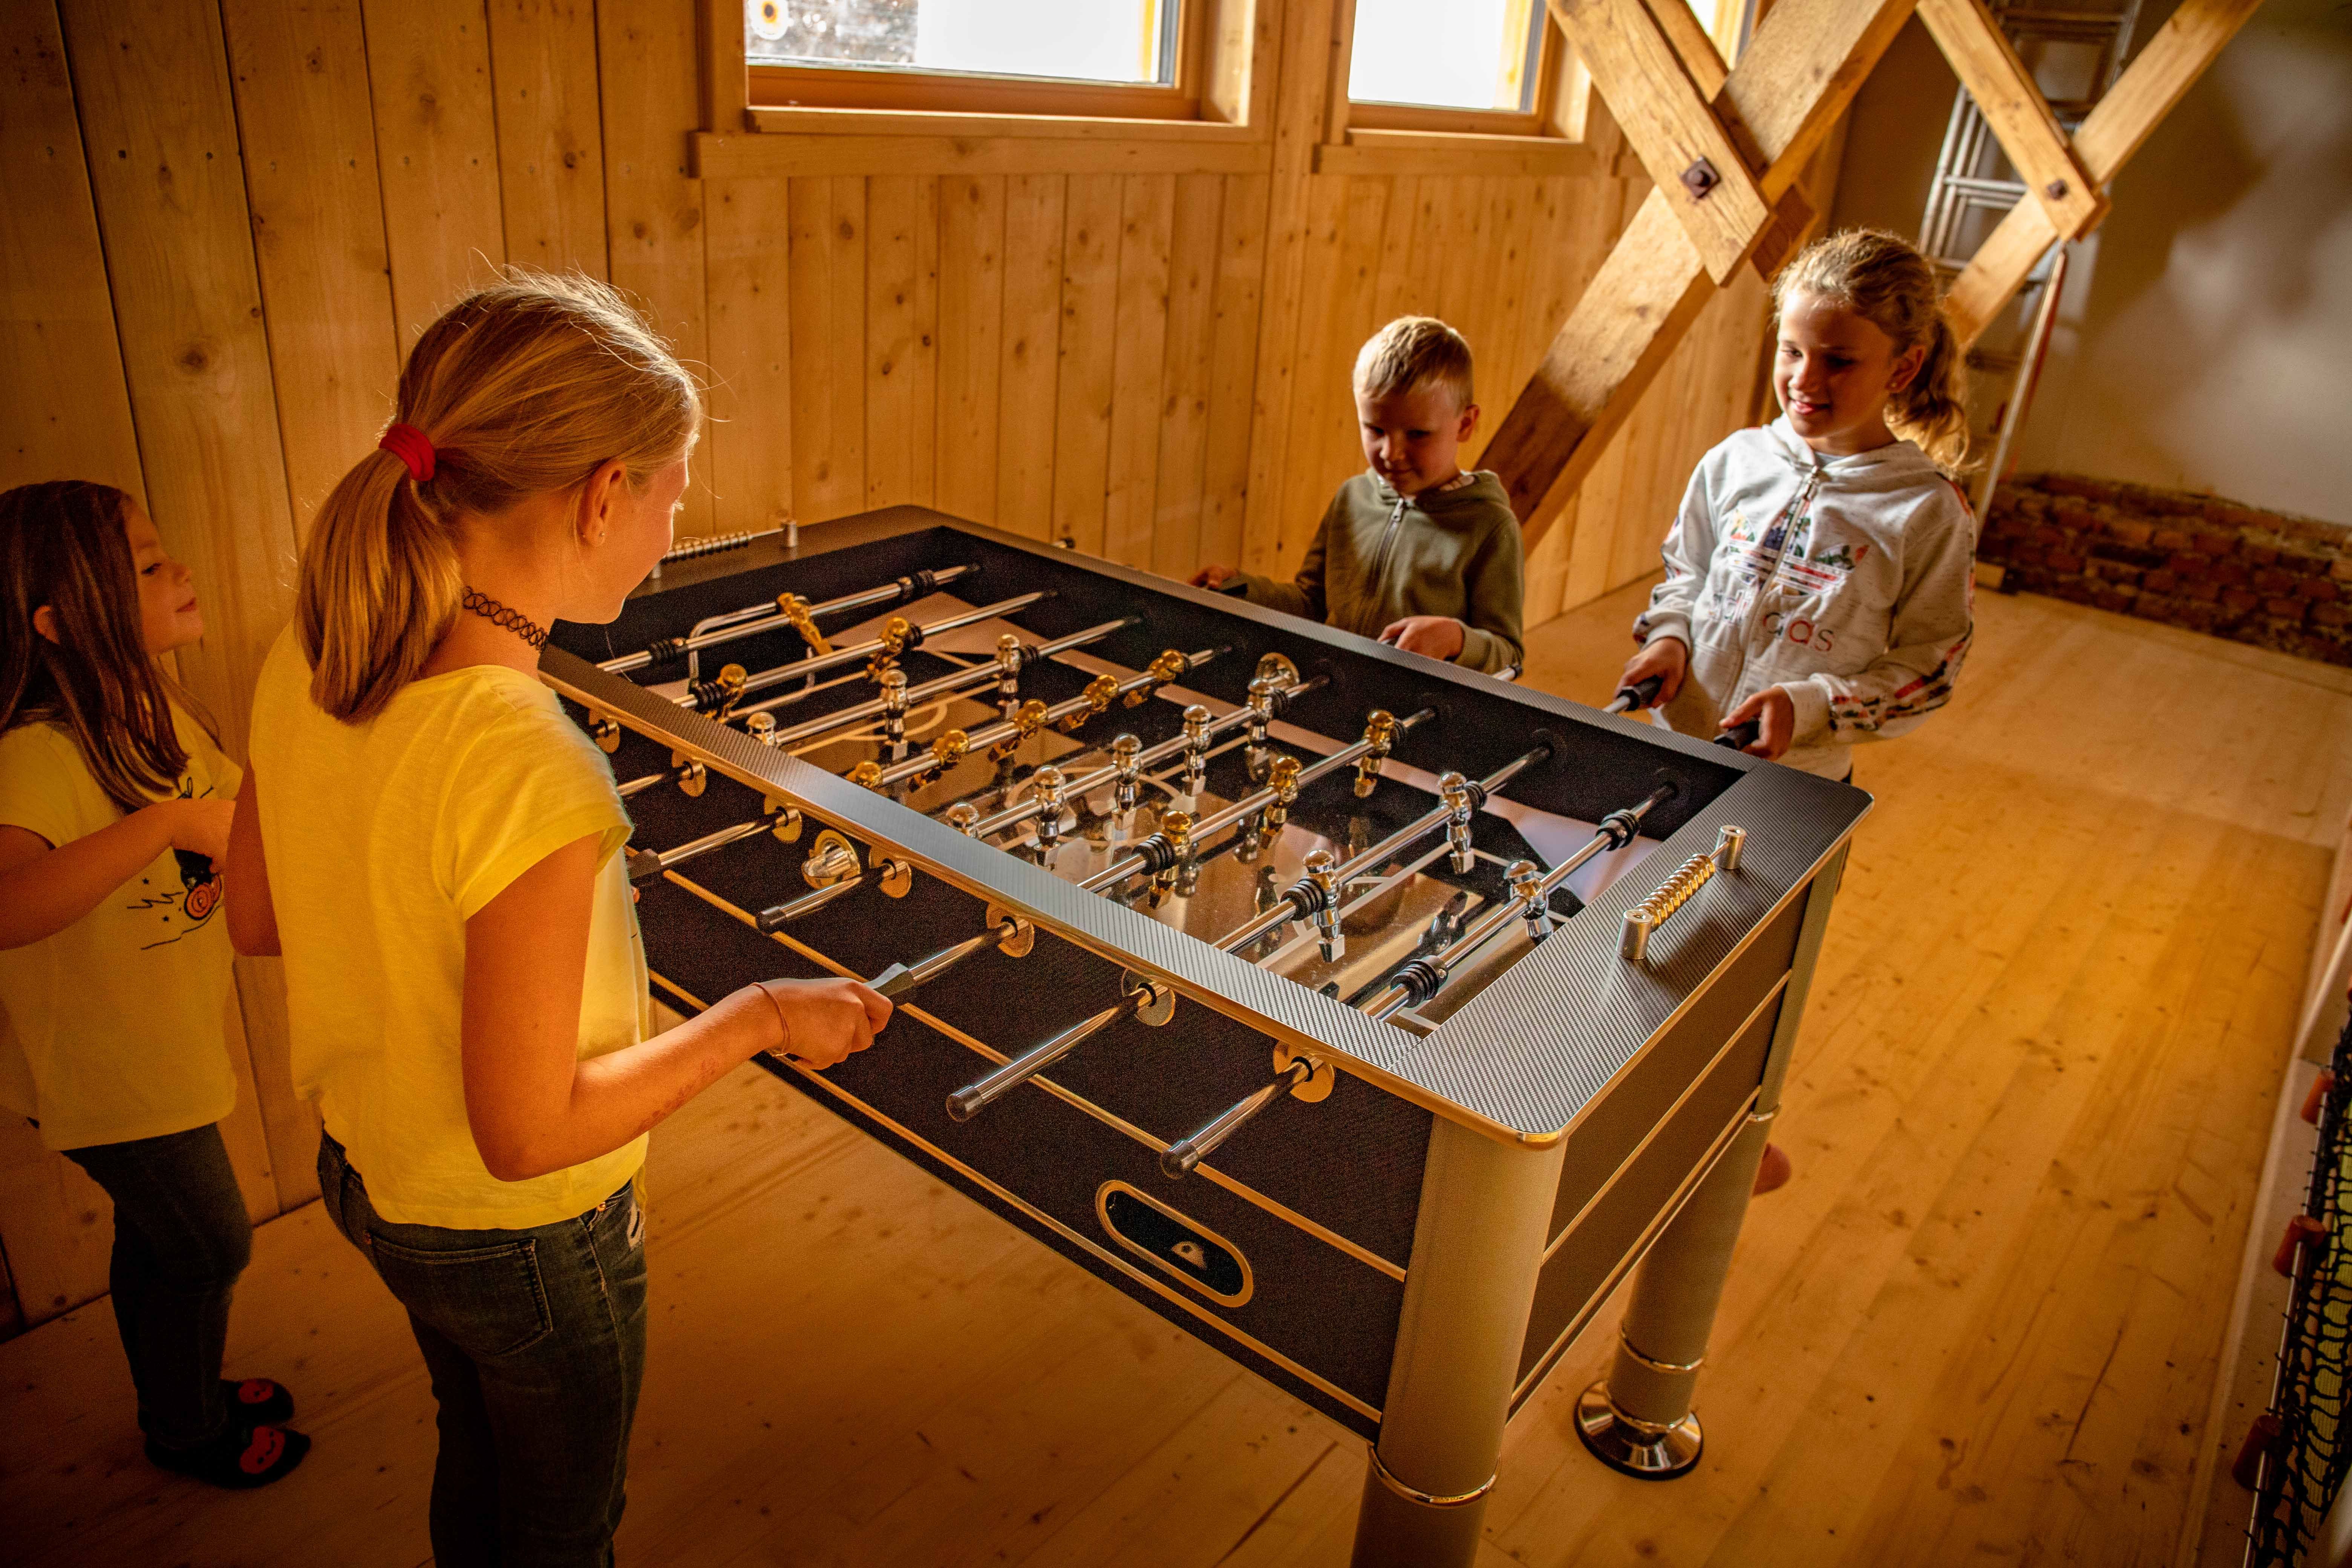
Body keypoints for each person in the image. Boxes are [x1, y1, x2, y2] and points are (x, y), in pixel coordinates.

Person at [225, 273, 892, 1565]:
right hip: (524, 1245)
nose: (668, 529)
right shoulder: (528, 758)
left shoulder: (310, 647)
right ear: (601, 494)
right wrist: (759, 1017)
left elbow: (255, 918)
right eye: (673, 494)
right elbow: (529, 1135)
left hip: (368, 1180)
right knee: (563, 1528)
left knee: (474, 1449)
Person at [0, 480, 309, 1488]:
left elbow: (239, 817)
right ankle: (184, 1430)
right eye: (144, 564)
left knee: (168, 1242)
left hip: (164, 1047)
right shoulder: (39, 756)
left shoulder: (156, 712)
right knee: (209, 1243)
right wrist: (162, 828)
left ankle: (183, 1398)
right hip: (104, 1073)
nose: (178, 571)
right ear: (57, 621)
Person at [1619, 228, 1977, 780]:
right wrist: (1670, 637)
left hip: (1796, 784)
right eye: (1792, 351)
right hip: (1670, 753)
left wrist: (1811, 707)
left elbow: (1928, 667)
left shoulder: (1928, 510)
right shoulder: (1734, 459)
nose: (1805, 379)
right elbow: (1687, 574)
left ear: (1902, 370)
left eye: (1838, 361)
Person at [1193, 316, 1525, 675]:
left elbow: (1509, 655)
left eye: (1417, 434)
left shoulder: (1491, 526)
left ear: (1465, 424)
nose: (1391, 453)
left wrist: (1457, 639)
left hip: (1412, 721)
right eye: (1375, 429)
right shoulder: (1352, 499)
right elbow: (1312, 603)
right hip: (1331, 691)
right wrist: (1244, 589)